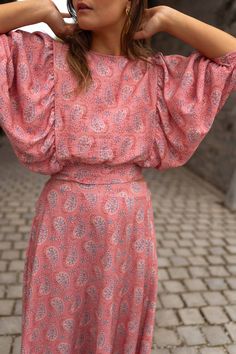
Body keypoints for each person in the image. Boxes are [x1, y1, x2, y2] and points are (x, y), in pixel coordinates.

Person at [0, 0, 235, 353]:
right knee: (56, 328)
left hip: (128, 227)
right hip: (63, 221)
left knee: (115, 326)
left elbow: (230, 58)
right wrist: (41, 12)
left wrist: (168, 18)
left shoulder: (157, 76)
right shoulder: (46, 61)